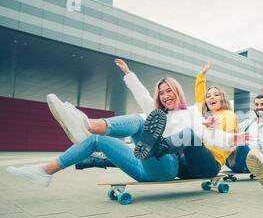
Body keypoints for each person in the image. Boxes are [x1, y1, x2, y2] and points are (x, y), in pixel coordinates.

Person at [6, 60, 248, 186]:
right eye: (162, 92)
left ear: (178, 92)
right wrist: (129, 74)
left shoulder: (192, 113)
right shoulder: (155, 112)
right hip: (142, 168)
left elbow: (205, 138)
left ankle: (151, 144)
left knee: (154, 126)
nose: (166, 95)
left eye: (170, 91)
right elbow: (143, 96)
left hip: (165, 167)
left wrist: (232, 139)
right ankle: (46, 170)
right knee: (107, 134)